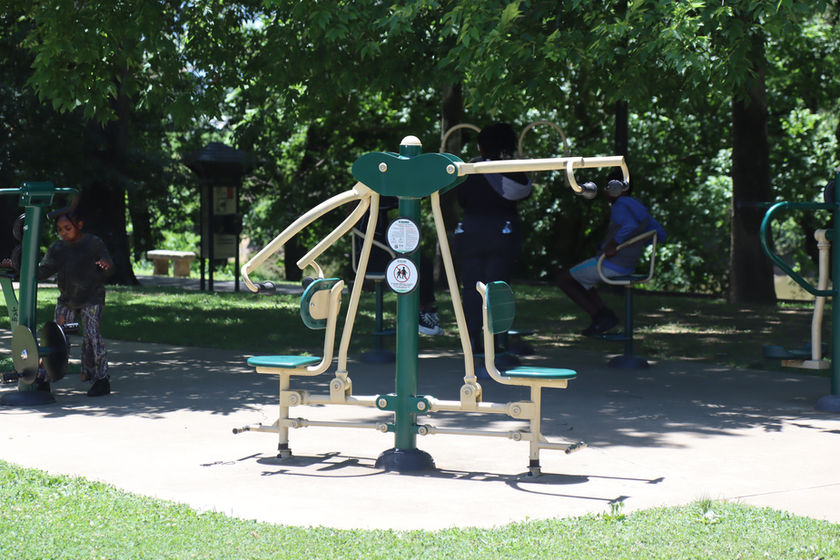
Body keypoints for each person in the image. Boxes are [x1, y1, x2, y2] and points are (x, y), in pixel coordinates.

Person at [454, 122, 532, 352]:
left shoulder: (468, 170)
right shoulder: (514, 171)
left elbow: (462, 200)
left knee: (471, 288)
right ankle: (497, 342)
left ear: (480, 147)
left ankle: (471, 341)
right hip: (502, 233)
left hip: (470, 232)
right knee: (498, 288)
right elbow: (524, 192)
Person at [558, 176, 666, 336]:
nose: (605, 191)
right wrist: (634, 245)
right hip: (627, 266)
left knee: (563, 279)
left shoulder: (620, 204)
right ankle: (603, 316)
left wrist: (615, 244)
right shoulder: (637, 206)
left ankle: (600, 317)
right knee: (583, 281)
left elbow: (630, 225)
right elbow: (660, 234)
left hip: (609, 265)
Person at [36, 209, 114, 396]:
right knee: (58, 335)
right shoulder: (57, 248)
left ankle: (101, 380)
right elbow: (44, 270)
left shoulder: (93, 243)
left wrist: (105, 264)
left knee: (92, 335)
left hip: (91, 298)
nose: (63, 232)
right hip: (68, 300)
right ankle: (43, 378)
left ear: (79, 225)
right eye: (60, 229)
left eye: (67, 228)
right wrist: (25, 267)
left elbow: (108, 264)